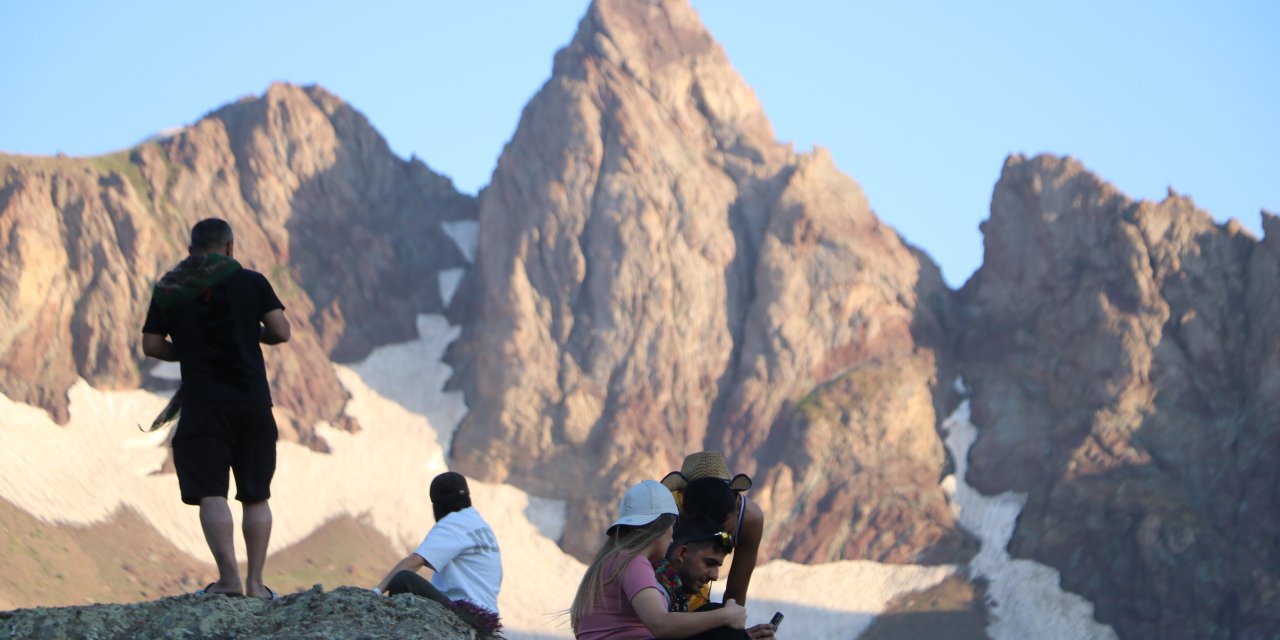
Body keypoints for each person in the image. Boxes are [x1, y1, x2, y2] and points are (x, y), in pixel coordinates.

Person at [141, 217, 291, 599]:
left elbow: (152, 345)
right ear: (229, 247)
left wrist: (188, 350)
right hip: (252, 400)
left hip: (204, 402)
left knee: (212, 493)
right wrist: (249, 334)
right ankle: (257, 584)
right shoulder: (252, 282)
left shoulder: (170, 287)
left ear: (192, 251)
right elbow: (280, 331)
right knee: (256, 495)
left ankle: (228, 580)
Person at [571, 480, 748, 640]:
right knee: (720, 624)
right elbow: (660, 625)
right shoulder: (633, 562)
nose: (672, 538)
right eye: (672, 527)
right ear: (661, 527)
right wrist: (726, 616)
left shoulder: (615, 559)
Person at [373, 471, 503, 617]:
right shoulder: (479, 524)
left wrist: (376, 592)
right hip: (487, 617)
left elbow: (415, 561)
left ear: (438, 504)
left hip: (465, 614)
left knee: (403, 579)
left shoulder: (453, 523)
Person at [661, 452, 765, 610]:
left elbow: (735, 598)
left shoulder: (749, 519)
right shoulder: (664, 513)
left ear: (735, 498)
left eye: (725, 532)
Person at [654, 516, 776, 639]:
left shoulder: (670, 589)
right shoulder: (653, 589)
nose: (715, 576)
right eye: (710, 563)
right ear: (682, 554)